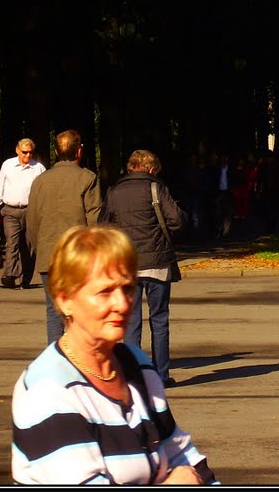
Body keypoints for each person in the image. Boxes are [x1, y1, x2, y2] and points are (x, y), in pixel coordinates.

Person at [11, 225, 215, 484]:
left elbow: (184, 457)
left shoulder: (135, 363)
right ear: (65, 300)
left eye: (127, 288)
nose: (122, 303)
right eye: (105, 292)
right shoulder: (48, 389)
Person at [103, 149, 187, 387]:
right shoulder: (156, 188)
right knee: (159, 319)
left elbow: (103, 225)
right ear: (151, 169)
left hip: (126, 264)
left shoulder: (114, 191)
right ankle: (161, 375)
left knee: (130, 321)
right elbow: (177, 220)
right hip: (158, 263)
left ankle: (133, 374)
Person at [27, 130, 102, 344]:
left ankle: (56, 364)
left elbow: (31, 222)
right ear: (79, 151)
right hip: (79, 257)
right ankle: (80, 361)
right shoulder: (87, 178)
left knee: (54, 311)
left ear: (55, 151)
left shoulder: (40, 181)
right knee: (81, 310)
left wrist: (38, 247)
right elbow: (94, 220)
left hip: (48, 256)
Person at [0, 137, 46, 290]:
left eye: (30, 153)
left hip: (31, 211)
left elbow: (44, 191)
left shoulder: (38, 168)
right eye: (24, 152)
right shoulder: (7, 165)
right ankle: (9, 275)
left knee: (28, 247)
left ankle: (25, 279)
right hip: (10, 211)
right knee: (12, 243)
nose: (27, 156)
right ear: (17, 150)